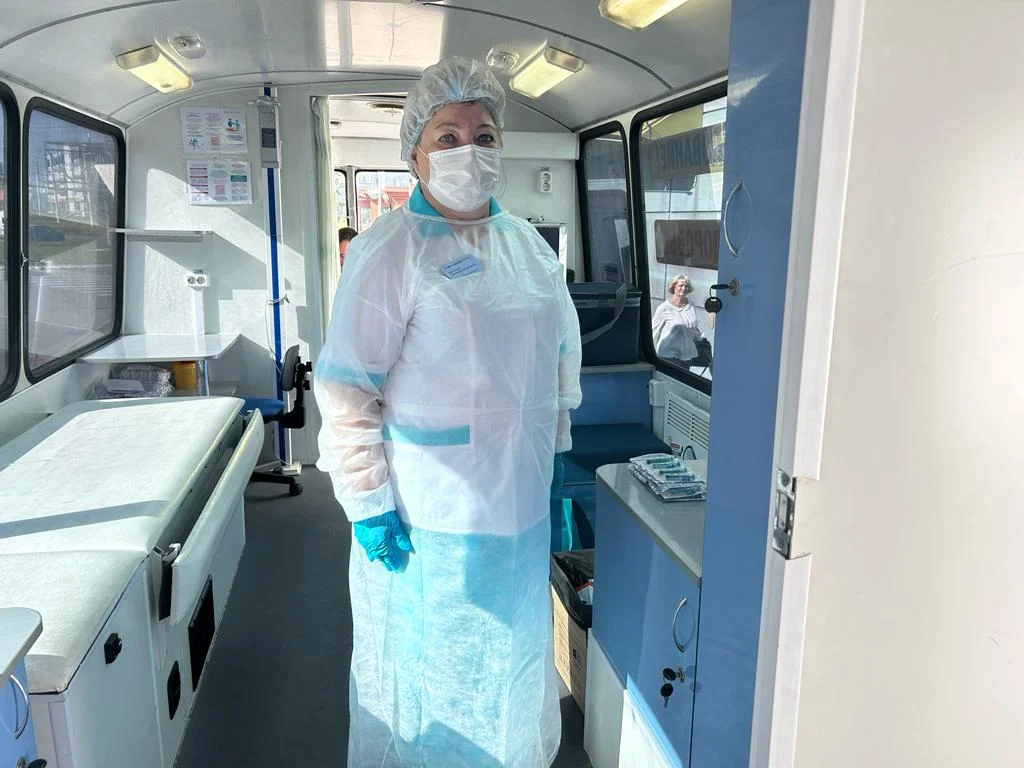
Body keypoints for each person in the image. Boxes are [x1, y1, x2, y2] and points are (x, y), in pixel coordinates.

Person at [315, 57, 582, 767]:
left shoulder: (529, 249)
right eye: (448, 136)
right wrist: (368, 504)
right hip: (428, 516)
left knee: (512, 662)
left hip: (520, 504)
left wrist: (556, 456)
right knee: (430, 675)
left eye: (484, 135)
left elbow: (560, 365)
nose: (469, 150)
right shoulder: (389, 251)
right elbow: (347, 391)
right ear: (415, 154)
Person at [652, 274, 710, 367]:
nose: (683, 288)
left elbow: (693, 328)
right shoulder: (664, 308)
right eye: (681, 285)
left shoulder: (691, 305)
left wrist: (700, 340)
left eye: (686, 286)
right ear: (674, 287)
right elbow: (653, 330)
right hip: (668, 355)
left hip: (687, 356)